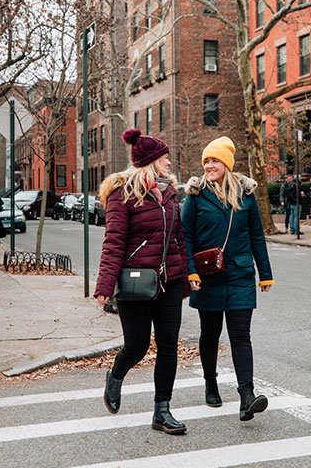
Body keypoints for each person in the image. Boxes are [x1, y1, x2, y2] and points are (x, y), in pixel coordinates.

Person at [95, 128, 190, 435]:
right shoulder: (122, 195)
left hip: (169, 283)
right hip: (135, 282)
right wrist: (105, 287)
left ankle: (162, 410)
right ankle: (116, 373)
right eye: (165, 159)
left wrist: (186, 277)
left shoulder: (171, 194)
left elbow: (179, 239)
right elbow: (114, 242)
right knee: (136, 346)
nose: (169, 164)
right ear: (151, 161)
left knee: (168, 346)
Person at [182, 136, 274, 422]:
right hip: (207, 275)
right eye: (206, 161)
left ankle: (247, 394)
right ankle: (211, 382)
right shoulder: (196, 196)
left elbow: (257, 235)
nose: (209, 165)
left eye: (215, 160)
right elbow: (185, 236)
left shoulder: (245, 195)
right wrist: (190, 271)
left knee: (240, 335)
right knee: (210, 334)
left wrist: (266, 273)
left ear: (227, 164)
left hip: (240, 273)